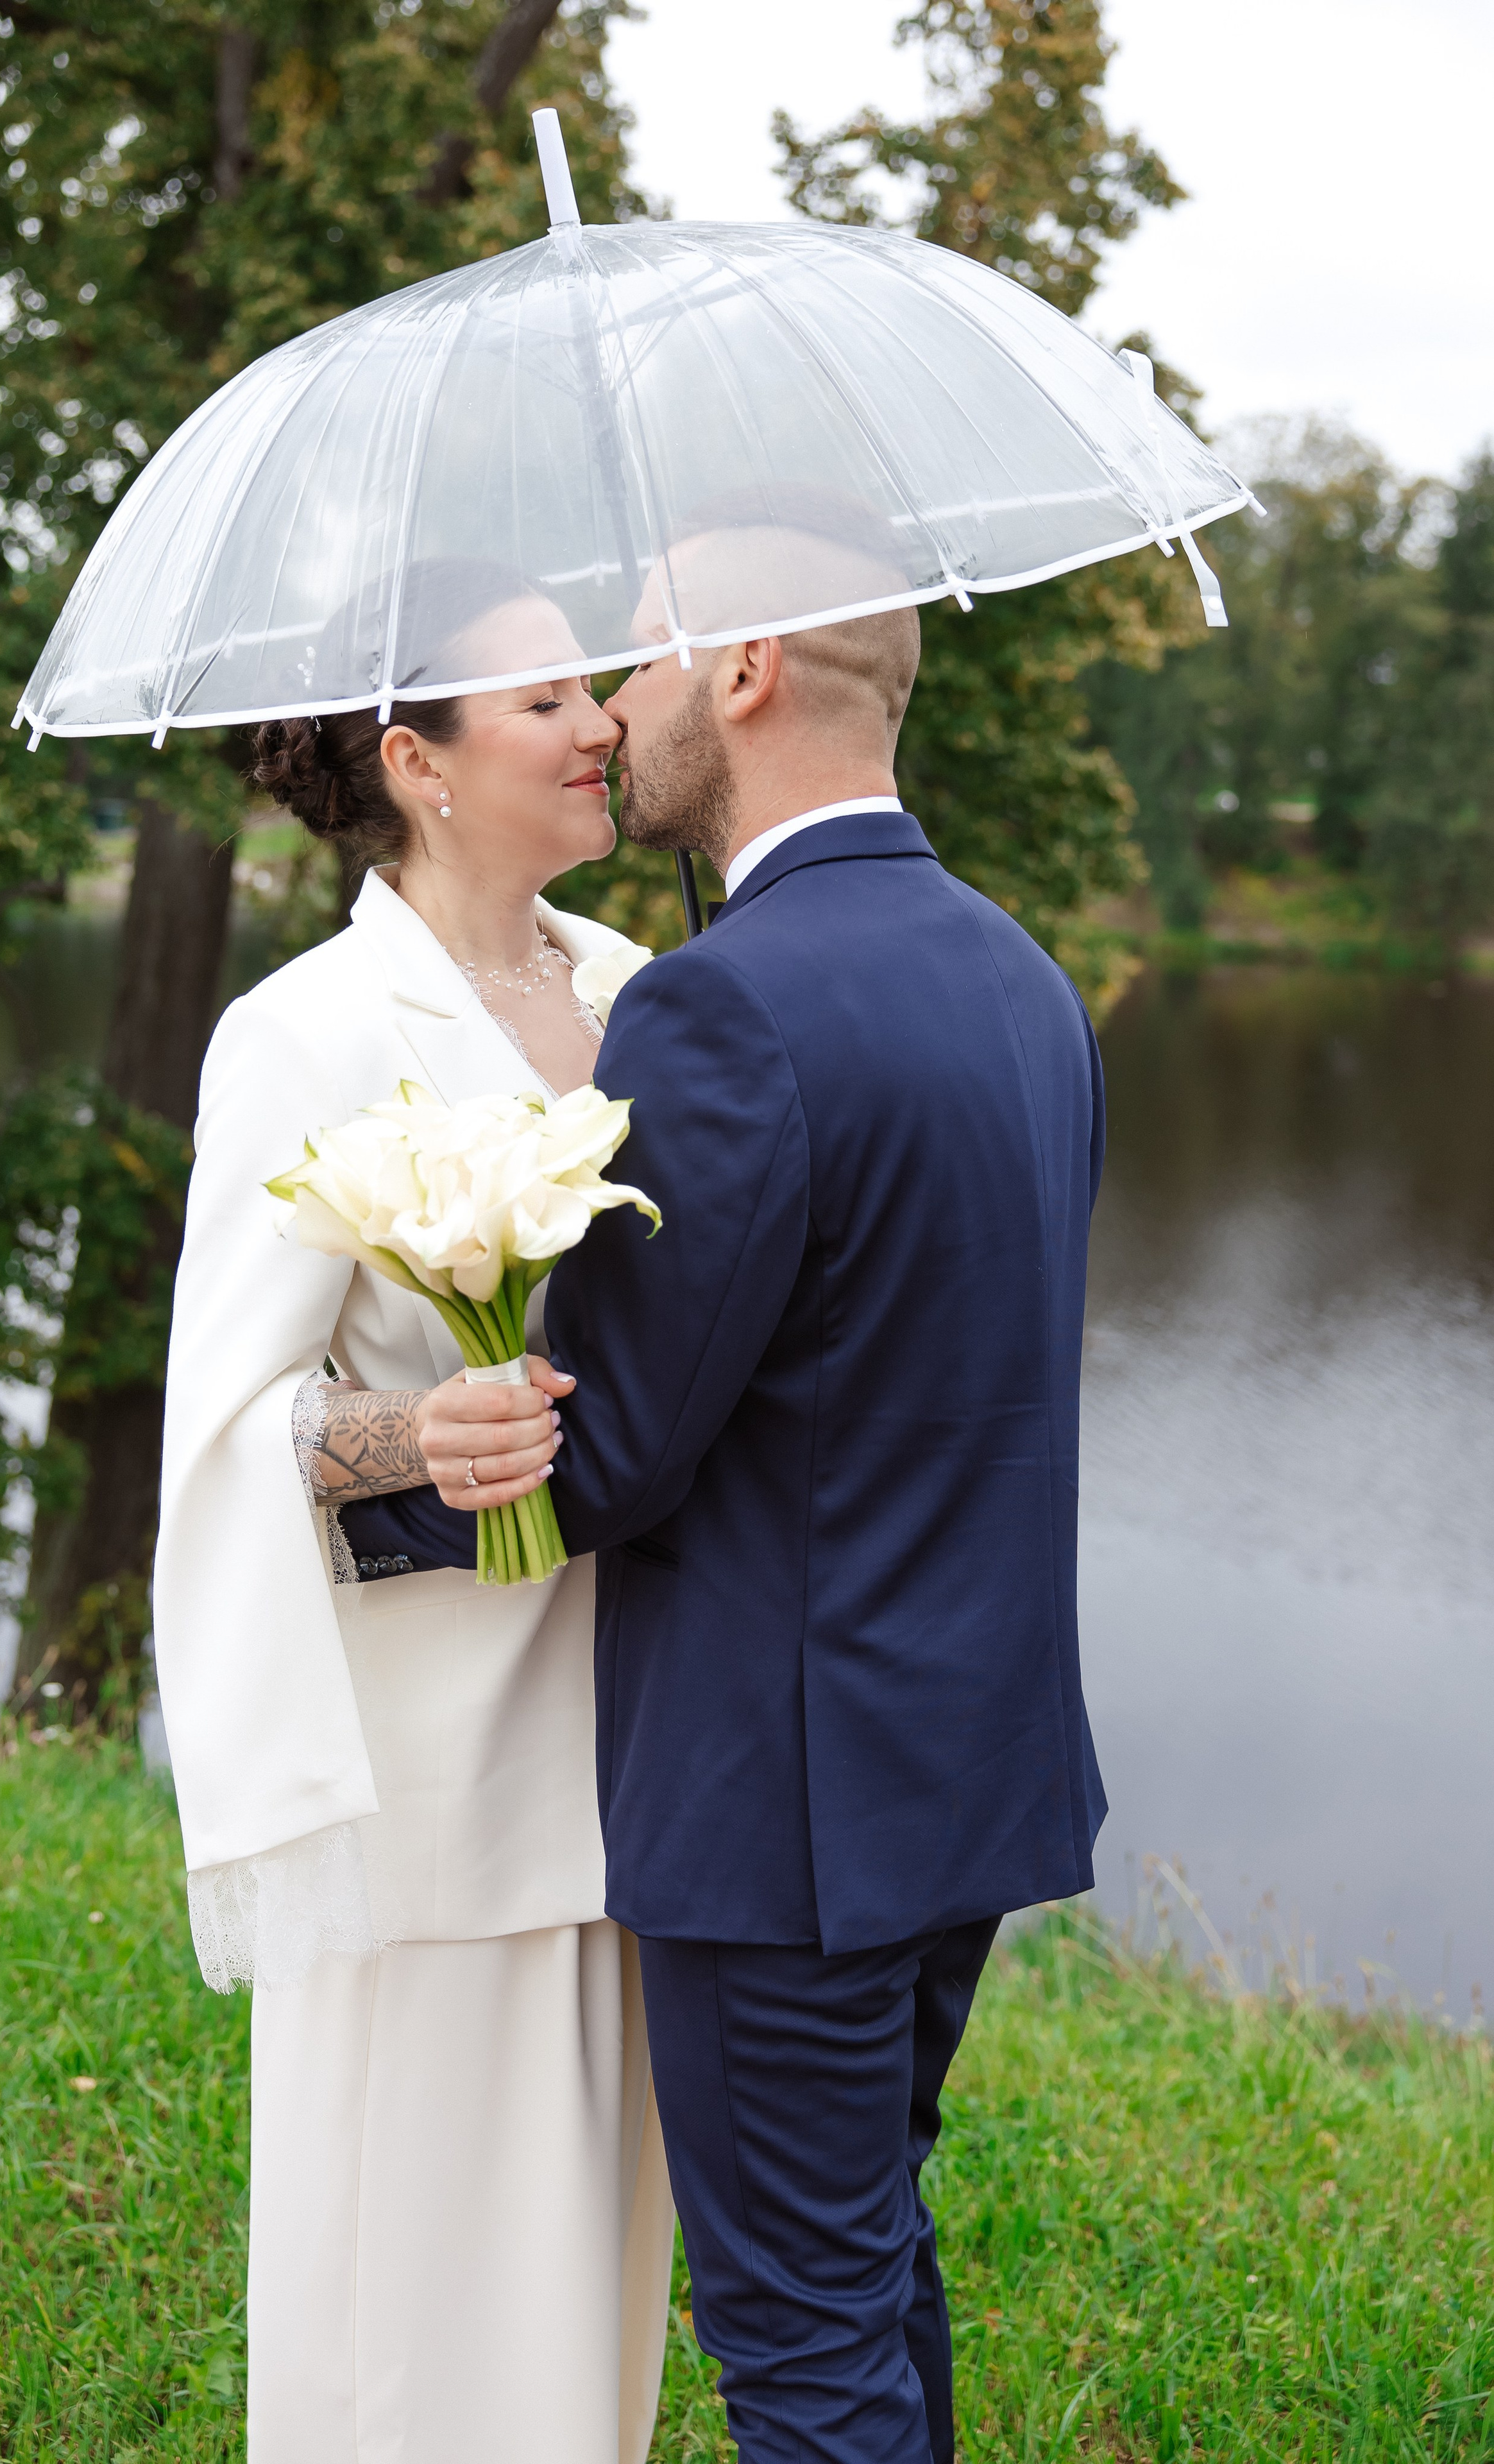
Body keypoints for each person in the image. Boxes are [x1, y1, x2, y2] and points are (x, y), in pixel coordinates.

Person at [362, 512, 1108, 2463]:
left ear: (749, 673)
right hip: (969, 1760)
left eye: (638, 663)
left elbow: (604, 1452)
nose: (616, 713)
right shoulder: (1023, 979)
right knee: (865, 2256)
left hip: (790, 1808)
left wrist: (367, 1483)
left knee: (794, 2337)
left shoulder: (722, 1009)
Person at [151, 566, 674, 2464]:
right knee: (404, 2268)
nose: (605, 719)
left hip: (632, 1725)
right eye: (545, 700)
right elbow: (233, 1422)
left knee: (591, 2247)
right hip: (426, 1760)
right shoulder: (299, 1031)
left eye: (597, 686)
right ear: (418, 762)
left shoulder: (646, 991)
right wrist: (412, 1431)